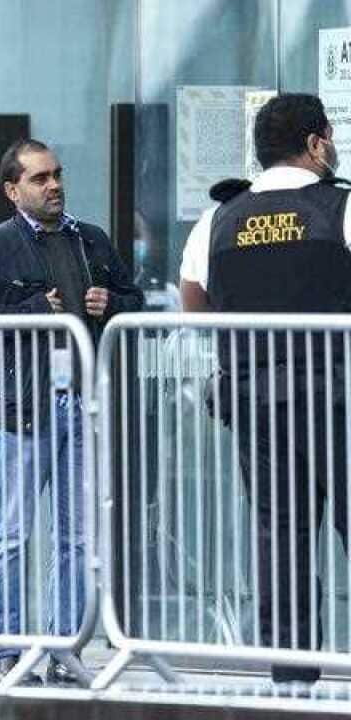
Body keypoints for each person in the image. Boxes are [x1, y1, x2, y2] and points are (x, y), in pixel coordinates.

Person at [0, 138, 143, 686]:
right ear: (12, 190)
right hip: (20, 409)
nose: (54, 185)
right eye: (39, 179)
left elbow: (136, 298)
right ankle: (3, 653)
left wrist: (115, 303)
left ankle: (64, 648)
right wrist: (29, 309)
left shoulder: (90, 239)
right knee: (10, 534)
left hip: (82, 403)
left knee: (77, 536)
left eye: (57, 175)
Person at [179, 93, 351, 686]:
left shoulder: (218, 219)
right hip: (337, 396)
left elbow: (194, 300)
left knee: (281, 534)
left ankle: (292, 676)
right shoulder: (341, 208)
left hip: (257, 399)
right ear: (314, 143)